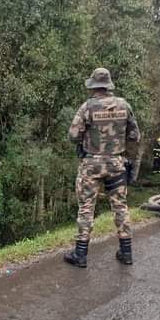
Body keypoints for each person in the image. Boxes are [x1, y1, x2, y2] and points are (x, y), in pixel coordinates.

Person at [65, 67, 140, 268]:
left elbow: (73, 136)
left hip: (91, 165)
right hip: (116, 164)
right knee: (120, 206)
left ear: (94, 86)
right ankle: (126, 252)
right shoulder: (124, 105)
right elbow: (135, 136)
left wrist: (86, 140)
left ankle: (80, 254)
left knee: (86, 207)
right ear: (108, 85)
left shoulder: (88, 107)